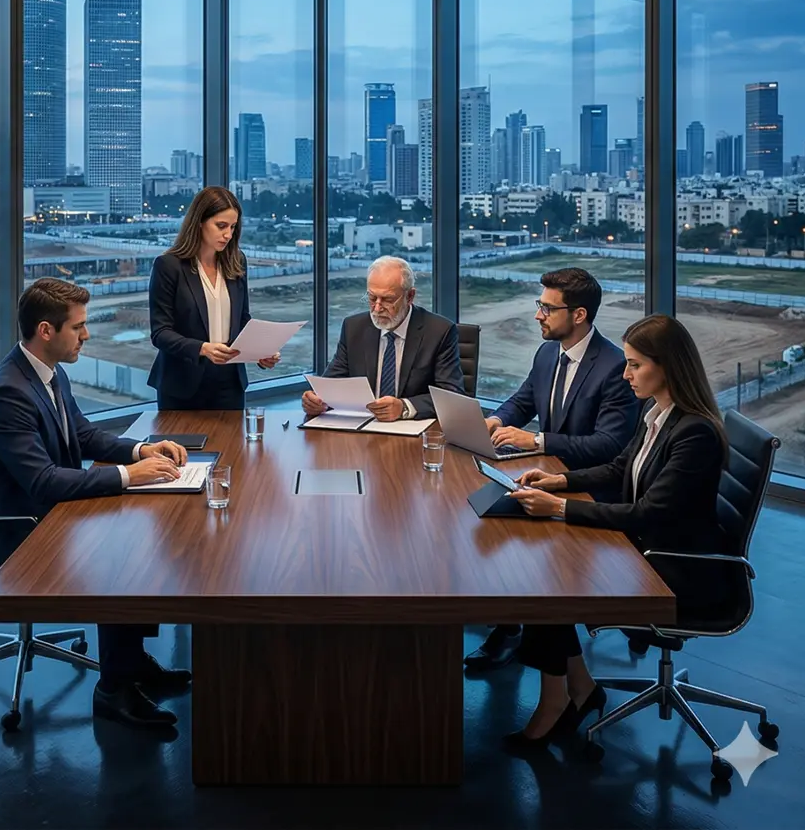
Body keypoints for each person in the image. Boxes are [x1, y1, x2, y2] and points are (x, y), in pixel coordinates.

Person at [0, 278, 193, 732]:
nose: (86, 335)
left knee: (137, 533)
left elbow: (84, 436)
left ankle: (130, 665)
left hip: (42, 513)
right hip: (14, 533)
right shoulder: (10, 393)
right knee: (123, 555)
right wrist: (130, 477)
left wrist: (139, 452)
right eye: (79, 327)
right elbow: (43, 480)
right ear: (47, 330)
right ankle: (113, 690)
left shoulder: (46, 372)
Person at [502, 315, 733, 752]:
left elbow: (649, 513)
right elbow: (618, 468)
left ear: (666, 366)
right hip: (651, 548)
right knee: (545, 568)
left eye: (634, 365)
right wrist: (560, 482)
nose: (625, 375)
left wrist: (561, 509)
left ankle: (557, 701)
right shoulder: (658, 411)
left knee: (546, 580)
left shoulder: (695, 432)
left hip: (678, 570)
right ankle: (578, 690)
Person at [465, 267, 642, 673]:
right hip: (555, 474)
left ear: (578, 315)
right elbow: (523, 400)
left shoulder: (614, 366)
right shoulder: (548, 352)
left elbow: (609, 446)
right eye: (538, 305)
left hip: (592, 487)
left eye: (547, 307)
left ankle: (517, 631)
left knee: (513, 531)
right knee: (486, 512)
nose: (538, 315)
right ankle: (511, 625)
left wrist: (536, 441)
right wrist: (497, 418)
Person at [148, 187, 280, 410]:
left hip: (230, 382)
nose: (228, 234)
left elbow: (242, 319)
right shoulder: (168, 266)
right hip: (183, 384)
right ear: (199, 222)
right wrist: (202, 348)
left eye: (232, 227)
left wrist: (260, 351)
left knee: (233, 445)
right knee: (184, 445)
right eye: (221, 226)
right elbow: (160, 333)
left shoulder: (237, 262)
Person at [303, 255, 462, 420]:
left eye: (388, 300)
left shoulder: (439, 331)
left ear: (410, 296)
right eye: (372, 298)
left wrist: (404, 407)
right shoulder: (354, 328)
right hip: (362, 430)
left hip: (413, 434)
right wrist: (316, 400)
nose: (377, 308)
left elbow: (451, 395)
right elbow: (332, 382)